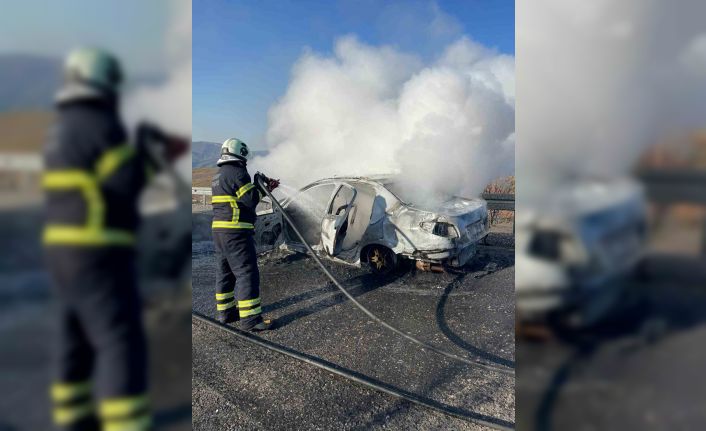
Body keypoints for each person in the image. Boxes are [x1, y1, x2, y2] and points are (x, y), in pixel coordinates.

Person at [44, 47, 184, 431]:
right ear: (105, 82)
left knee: (74, 333)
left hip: (61, 251)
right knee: (118, 339)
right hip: (97, 250)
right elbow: (124, 184)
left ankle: (72, 416)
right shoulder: (100, 124)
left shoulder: (61, 128)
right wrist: (153, 155)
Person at [211, 137, 279, 330]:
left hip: (219, 232)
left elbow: (240, 198)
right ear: (240, 154)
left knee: (225, 273)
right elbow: (250, 200)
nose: (246, 161)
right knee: (246, 272)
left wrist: (261, 187)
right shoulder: (238, 172)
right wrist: (261, 187)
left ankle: (226, 313)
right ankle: (251, 321)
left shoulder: (218, 175)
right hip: (236, 232)